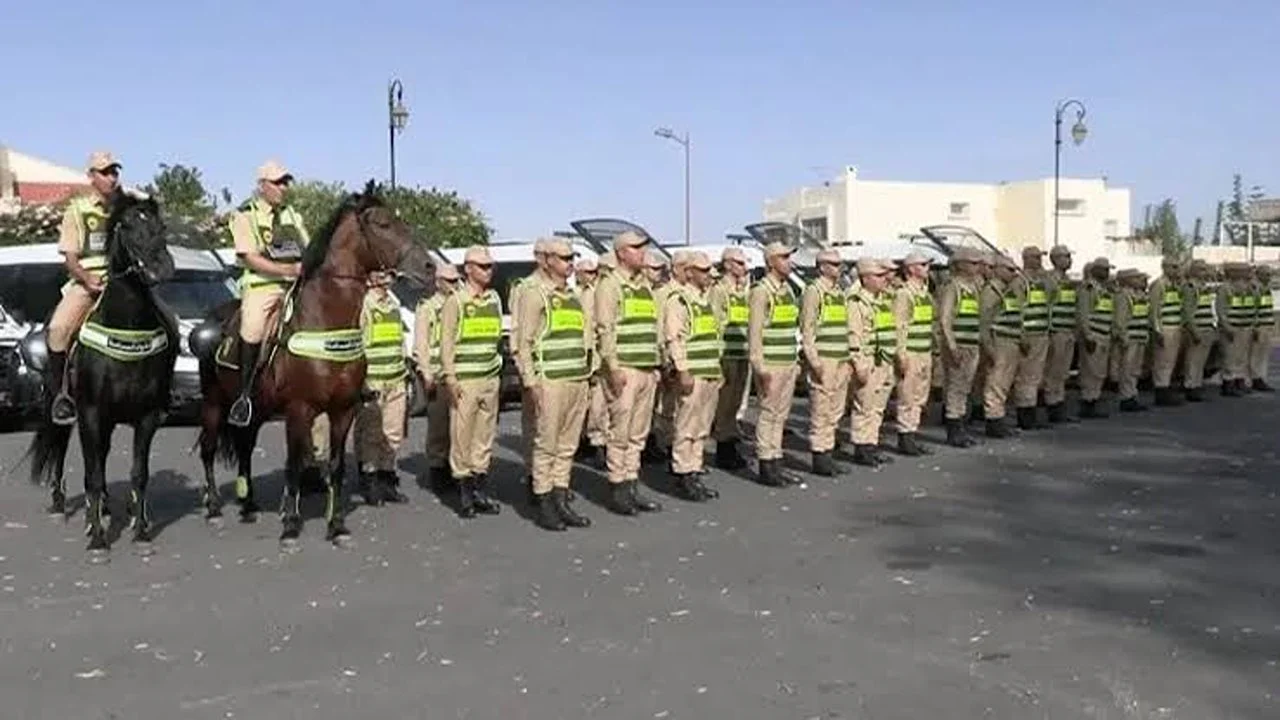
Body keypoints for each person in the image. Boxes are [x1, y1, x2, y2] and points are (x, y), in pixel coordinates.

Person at [46, 151, 131, 424]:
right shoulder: (78, 210)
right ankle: (62, 394)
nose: (112, 178)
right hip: (89, 281)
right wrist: (87, 278)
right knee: (58, 329)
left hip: (124, 279)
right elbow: (70, 259)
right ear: (91, 177)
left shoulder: (127, 207)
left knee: (165, 322)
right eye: (105, 173)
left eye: (114, 172)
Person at [311, 270, 411, 503]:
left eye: (390, 273)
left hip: (395, 377)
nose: (389, 276)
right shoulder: (363, 304)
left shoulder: (393, 304)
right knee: (371, 431)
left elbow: (399, 340)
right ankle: (369, 478)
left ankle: (387, 477)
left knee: (393, 433)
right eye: (384, 273)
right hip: (372, 379)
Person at [515, 238, 593, 531]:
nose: (569, 263)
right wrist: (531, 381)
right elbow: (523, 343)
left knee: (567, 445)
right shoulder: (535, 294)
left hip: (576, 379)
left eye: (571, 257)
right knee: (546, 444)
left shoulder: (572, 295)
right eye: (563, 258)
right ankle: (544, 501)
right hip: (550, 381)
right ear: (547, 260)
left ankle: (561, 498)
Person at [227, 160, 310, 427]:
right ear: (262, 185)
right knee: (251, 328)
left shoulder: (292, 215)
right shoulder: (245, 214)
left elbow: (306, 248)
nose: (284, 187)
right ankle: (245, 395)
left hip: (295, 285)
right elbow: (249, 257)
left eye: (286, 182)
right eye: (277, 182)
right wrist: (284, 270)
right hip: (261, 285)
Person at [594, 231, 663, 515]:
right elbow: (605, 329)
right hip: (624, 369)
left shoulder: (644, 286)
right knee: (620, 433)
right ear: (621, 253)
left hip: (646, 368)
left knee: (638, 434)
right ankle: (617, 487)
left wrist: (658, 365)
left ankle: (632, 484)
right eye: (635, 248)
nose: (642, 252)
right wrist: (612, 367)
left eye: (643, 247)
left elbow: (653, 328)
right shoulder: (610, 285)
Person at [440, 246, 504, 518]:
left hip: (489, 378)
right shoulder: (456, 301)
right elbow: (446, 342)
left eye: (490, 266)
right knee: (462, 436)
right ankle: (464, 494)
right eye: (482, 266)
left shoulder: (494, 299)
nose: (488, 271)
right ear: (468, 269)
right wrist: (451, 377)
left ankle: (479, 490)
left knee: (484, 437)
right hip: (465, 380)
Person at [664, 251, 723, 500]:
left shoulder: (704, 300)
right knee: (686, 425)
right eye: (703, 270)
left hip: (709, 371)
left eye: (709, 270)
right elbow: (674, 338)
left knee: (702, 426)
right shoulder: (680, 300)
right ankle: (682, 473)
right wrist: (682, 369)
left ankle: (695, 469)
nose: (708, 274)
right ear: (689, 272)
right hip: (693, 373)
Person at [748, 241, 802, 486]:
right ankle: (766, 464)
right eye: (783, 257)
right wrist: (759, 366)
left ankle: (776, 458)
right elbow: (755, 331)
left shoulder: (787, 290)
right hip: (771, 363)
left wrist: (796, 359)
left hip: (788, 361)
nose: (788, 262)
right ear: (770, 262)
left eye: (789, 257)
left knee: (781, 415)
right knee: (769, 414)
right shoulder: (762, 291)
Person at [800, 249, 852, 475]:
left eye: (840, 264)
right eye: (833, 264)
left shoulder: (839, 292)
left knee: (835, 410)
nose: (839, 268)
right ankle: (820, 456)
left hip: (840, 359)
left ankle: (828, 451)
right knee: (821, 410)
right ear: (822, 267)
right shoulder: (814, 291)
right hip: (824, 360)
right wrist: (814, 361)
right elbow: (808, 329)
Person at [847, 259, 898, 466]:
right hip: (867, 359)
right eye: (877, 276)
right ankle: (861, 447)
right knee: (864, 405)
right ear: (865, 278)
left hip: (884, 359)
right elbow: (854, 334)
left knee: (878, 407)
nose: (883, 279)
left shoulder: (883, 299)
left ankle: (871, 443)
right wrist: (858, 363)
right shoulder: (856, 302)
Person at [413, 263, 460, 487]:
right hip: (438, 376)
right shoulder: (428, 308)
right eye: (450, 281)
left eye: (456, 280)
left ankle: (456, 467)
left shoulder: (461, 303)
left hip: (459, 374)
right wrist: (426, 374)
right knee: (439, 426)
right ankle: (438, 469)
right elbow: (421, 344)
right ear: (438, 282)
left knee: (459, 427)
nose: (455, 284)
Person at [510, 239, 551, 493]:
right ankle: (534, 478)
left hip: (559, 373)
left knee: (551, 433)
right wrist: (527, 374)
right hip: (536, 371)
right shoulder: (527, 288)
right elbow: (519, 332)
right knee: (536, 428)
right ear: (540, 258)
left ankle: (547, 482)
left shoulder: (559, 289)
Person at [707, 247, 752, 470]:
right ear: (728, 265)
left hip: (742, 353)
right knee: (724, 404)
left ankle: (730, 443)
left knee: (735, 403)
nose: (745, 268)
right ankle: (723, 450)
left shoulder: (742, 292)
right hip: (726, 356)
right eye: (740, 263)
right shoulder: (719, 291)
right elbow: (715, 325)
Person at [937, 247, 984, 447]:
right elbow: (945, 320)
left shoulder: (974, 288)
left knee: (964, 388)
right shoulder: (952, 287)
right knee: (956, 387)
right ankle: (954, 430)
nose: (977, 266)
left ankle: (960, 426)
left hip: (972, 344)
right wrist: (952, 347)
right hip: (959, 345)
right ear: (961, 264)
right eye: (973, 263)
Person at [891, 251, 934, 455]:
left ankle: (912, 434)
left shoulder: (924, 294)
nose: (928, 268)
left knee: (920, 397)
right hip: (911, 353)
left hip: (924, 351)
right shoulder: (904, 294)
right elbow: (899, 327)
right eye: (924, 264)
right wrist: (901, 355)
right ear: (911, 269)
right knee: (907, 396)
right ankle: (905, 437)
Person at [979, 254, 1023, 438]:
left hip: (1011, 342)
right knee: (996, 383)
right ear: (997, 270)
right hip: (999, 342)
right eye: (1009, 270)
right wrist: (989, 348)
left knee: (1004, 384)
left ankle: (999, 417)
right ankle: (993, 420)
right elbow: (984, 322)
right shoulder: (991, 291)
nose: (1013, 274)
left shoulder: (1008, 291)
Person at [1012, 247, 1052, 429]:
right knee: (1026, 377)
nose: (1039, 261)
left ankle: (1031, 412)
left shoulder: (1040, 281)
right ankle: (1025, 415)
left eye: (1040, 258)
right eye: (1036, 258)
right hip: (1028, 335)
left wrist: (1044, 274)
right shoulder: (1020, 282)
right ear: (1026, 259)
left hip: (1041, 334)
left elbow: (1053, 293)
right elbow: (1016, 310)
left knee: (1036, 376)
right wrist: (1021, 335)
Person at [574, 256, 609, 462]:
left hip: (596, 355)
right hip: (579, 355)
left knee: (599, 405)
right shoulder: (575, 294)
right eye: (586, 272)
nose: (591, 276)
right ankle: (581, 442)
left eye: (593, 272)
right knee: (580, 404)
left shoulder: (599, 293)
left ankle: (599, 444)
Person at [1042, 245, 1078, 423]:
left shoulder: (1067, 280)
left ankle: (1059, 403)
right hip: (1055, 331)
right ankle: (1052, 406)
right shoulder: (1049, 280)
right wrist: (1048, 332)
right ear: (1055, 259)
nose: (1069, 259)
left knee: (1063, 372)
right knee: (1053, 371)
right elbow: (1046, 306)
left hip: (1068, 330)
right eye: (1066, 256)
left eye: (1069, 256)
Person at [1076, 257, 1115, 418]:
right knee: (1090, 371)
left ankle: (1094, 399)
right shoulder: (1089, 288)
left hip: (1104, 334)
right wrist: (1088, 336)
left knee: (1099, 371)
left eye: (1108, 269)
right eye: (1103, 269)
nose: (1107, 272)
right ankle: (1087, 401)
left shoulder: (1104, 290)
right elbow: (1083, 313)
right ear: (1095, 270)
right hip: (1094, 335)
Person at [1147, 257, 1188, 406]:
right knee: (1162, 361)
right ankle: (1161, 390)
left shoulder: (1175, 286)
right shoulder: (1159, 285)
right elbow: (1154, 310)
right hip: (1165, 328)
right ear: (1165, 268)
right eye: (1174, 267)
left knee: (1170, 361)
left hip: (1175, 327)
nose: (1178, 270)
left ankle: (1166, 386)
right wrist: (1157, 331)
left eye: (1178, 267)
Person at [1110, 269, 1151, 412]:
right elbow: (1119, 320)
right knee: (1127, 369)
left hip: (1139, 336)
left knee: (1135, 369)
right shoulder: (1123, 296)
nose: (1141, 281)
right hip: (1130, 338)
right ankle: (1126, 397)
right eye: (1137, 278)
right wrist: (1123, 337)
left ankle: (1132, 394)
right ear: (1128, 280)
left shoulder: (1139, 296)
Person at [1217, 262, 1255, 397]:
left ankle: (1239, 380)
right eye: (1243, 271)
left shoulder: (1249, 288)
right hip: (1231, 327)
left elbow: (1253, 307)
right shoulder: (1225, 289)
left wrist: (1252, 325)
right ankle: (1228, 383)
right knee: (1229, 357)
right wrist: (1226, 327)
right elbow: (1221, 311)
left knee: (1242, 357)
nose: (1247, 274)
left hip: (1245, 326)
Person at [1181, 260, 1217, 401]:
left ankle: (1197, 384)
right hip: (1197, 328)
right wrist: (1193, 331)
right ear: (1193, 271)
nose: (1205, 272)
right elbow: (1188, 312)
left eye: (1205, 269)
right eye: (1201, 270)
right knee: (1193, 360)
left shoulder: (1203, 287)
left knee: (1201, 360)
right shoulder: (1190, 287)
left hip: (1207, 327)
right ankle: (1190, 386)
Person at [1249, 264, 1275, 392]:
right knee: (1256, 354)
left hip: (1267, 325)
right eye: (1266, 274)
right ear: (1259, 274)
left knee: (1263, 355)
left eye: (1270, 274)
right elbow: (1252, 309)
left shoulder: (1267, 288)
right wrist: (1255, 326)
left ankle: (1260, 377)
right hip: (1259, 326)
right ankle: (1255, 378)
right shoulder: (1255, 288)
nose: (1269, 277)